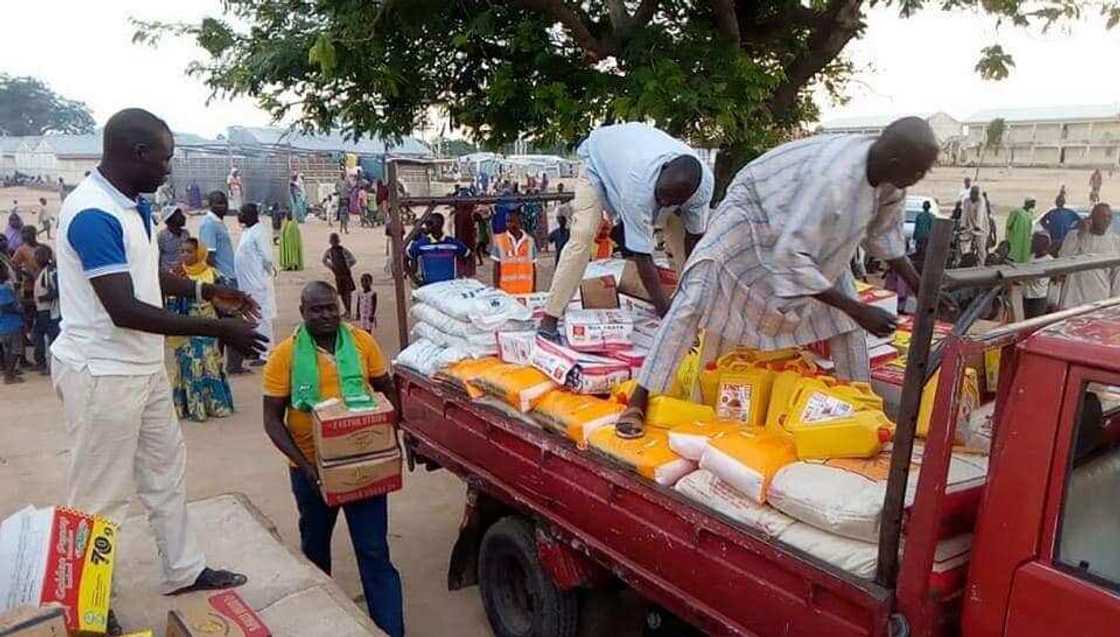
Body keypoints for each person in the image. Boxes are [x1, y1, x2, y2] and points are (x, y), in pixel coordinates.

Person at [50, 108, 265, 609]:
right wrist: (216, 330)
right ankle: (85, 607)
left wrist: (207, 291)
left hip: (141, 368)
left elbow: (145, 277)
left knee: (166, 472)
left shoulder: (131, 205)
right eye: (164, 160)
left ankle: (183, 569)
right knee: (98, 498)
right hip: (102, 372)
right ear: (136, 153)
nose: (168, 169)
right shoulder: (92, 214)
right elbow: (124, 307)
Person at [615, 117, 938, 438]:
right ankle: (639, 399)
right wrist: (859, 310)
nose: (917, 180)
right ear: (897, 162)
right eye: (918, 172)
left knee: (847, 319)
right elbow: (790, 260)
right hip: (751, 213)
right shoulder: (834, 179)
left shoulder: (891, 182)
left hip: (799, 234)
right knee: (695, 292)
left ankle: (866, 411)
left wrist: (921, 287)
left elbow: (885, 239)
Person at [261, 282, 405, 637]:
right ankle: (320, 624)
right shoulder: (285, 355)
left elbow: (386, 387)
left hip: (364, 468)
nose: (325, 315)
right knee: (314, 552)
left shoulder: (361, 343)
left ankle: (390, 630)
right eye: (316, 310)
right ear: (302, 312)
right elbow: (271, 419)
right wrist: (308, 468)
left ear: (340, 308)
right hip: (311, 473)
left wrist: (388, 440)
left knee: (374, 552)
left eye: (330, 308)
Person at [538, 123, 713, 340]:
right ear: (662, 171)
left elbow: (695, 240)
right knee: (582, 236)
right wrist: (665, 314)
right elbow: (642, 256)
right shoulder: (639, 187)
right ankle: (550, 318)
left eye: (672, 201)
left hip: (632, 160)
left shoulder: (702, 187)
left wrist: (694, 289)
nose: (664, 203)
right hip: (597, 165)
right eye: (661, 197)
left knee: (680, 239)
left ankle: (688, 307)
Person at [168, 238, 236, 422]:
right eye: (182, 251)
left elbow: (224, 300)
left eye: (189, 251)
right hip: (185, 326)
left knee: (210, 362)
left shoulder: (213, 274)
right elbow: (170, 301)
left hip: (209, 327)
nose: (185, 255)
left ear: (199, 253)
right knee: (189, 365)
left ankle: (215, 405)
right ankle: (191, 408)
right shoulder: (176, 275)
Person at [199, 191, 248, 375]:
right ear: (209, 204)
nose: (223, 206)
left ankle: (226, 365)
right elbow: (209, 257)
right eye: (218, 203)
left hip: (229, 279)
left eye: (224, 202)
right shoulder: (209, 224)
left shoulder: (218, 223)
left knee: (226, 323)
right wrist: (217, 281)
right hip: (223, 281)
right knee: (232, 322)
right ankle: (229, 366)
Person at [236, 203, 278, 362]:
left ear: (250, 215)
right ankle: (256, 350)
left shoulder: (259, 232)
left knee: (262, 318)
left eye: (241, 213)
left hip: (257, 282)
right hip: (248, 283)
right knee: (252, 318)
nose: (239, 216)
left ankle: (266, 353)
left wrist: (266, 277)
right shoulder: (248, 231)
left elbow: (267, 258)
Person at [1058, 204, 1120, 310]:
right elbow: (1063, 259)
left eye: (1109, 217)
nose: (1106, 220)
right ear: (1091, 217)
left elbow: (1117, 276)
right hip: (1072, 299)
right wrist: (1081, 234)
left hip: (1100, 299)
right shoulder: (1074, 236)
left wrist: (1114, 303)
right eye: (1102, 216)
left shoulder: (1115, 241)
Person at [406, 213, 470, 286]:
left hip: (450, 287)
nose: (427, 226)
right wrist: (415, 279)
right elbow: (405, 260)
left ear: (439, 224)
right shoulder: (420, 244)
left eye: (430, 223)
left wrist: (462, 272)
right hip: (428, 287)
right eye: (427, 224)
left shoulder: (453, 243)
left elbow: (468, 255)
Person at [30, 245, 60, 376]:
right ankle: (42, 363)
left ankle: (50, 366)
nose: (35, 258)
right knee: (38, 336)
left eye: (38, 255)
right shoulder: (43, 271)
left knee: (50, 337)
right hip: (42, 310)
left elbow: (58, 291)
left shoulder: (50, 272)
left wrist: (42, 298)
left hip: (48, 311)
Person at [492, 211, 537, 294]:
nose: (509, 224)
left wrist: (533, 290)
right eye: (507, 221)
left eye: (512, 221)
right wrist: (497, 289)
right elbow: (496, 267)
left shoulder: (530, 241)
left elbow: (533, 267)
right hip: (506, 292)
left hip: (526, 291)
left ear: (519, 221)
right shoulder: (500, 240)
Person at [322, 233, 357, 317]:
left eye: (335, 241)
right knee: (342, 293)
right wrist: (331, 267)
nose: (334, 243)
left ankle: (348, 310)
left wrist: (347, 265)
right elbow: (324, 260)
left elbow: (353, 260)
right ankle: (347, 310)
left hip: (346, 274)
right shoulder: (329, 252)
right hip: (338, 275)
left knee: (347, 293)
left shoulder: (343, 250)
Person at [0, 262, 23, 384]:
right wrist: (19, 308)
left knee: (8, 350)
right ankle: (9, 376)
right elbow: (6, 306)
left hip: (4, 325)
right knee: (15, 350)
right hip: (12, 324)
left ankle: (10, 373)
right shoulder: (4, 289)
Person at [1022, 232, 1053, 319]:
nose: (1032, 244)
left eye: (1034, 242)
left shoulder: (1049, 260)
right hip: (1027, 294)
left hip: (1038, 297)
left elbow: (1038, 278)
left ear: (1043, 244)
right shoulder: (1031, 257)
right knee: (1027, 321)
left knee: (1035, 322)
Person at [960, 185, 989, 265]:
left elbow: (980, 213)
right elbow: (964, 214)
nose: (973, 195)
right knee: (965, 245)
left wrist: (978, 226)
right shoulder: (966, 201)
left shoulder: (981, 200)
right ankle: (966, 263)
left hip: (981, 229)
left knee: (981, 248)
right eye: (972, 193)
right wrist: (962, 225)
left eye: (975, 193)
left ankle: (981, 265)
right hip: (969, 227)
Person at [452, 188, 477, 277]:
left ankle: (464, 273)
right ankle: (467, 273)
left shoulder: (459, 214)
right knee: (467, 256)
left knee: (463, 257)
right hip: (466, 240)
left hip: (462, 239)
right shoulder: (467, 214)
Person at [157, 207, 191, 273]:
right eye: (179, 215)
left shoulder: (186, 234)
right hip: (168, 274)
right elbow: (157, 257)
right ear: (169, 220)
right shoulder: (162, 236)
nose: (183, 217)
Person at [1005, 197, 1037, 264]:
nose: (1034, 204)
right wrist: (1008, 237)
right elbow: (1009, 225)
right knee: (1014, 256)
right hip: (1015, 239)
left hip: (1026, 241)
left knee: (1024, 259)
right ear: (1027, 203)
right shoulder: (1017, 212)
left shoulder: (1031, 214)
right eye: (1033, 202)